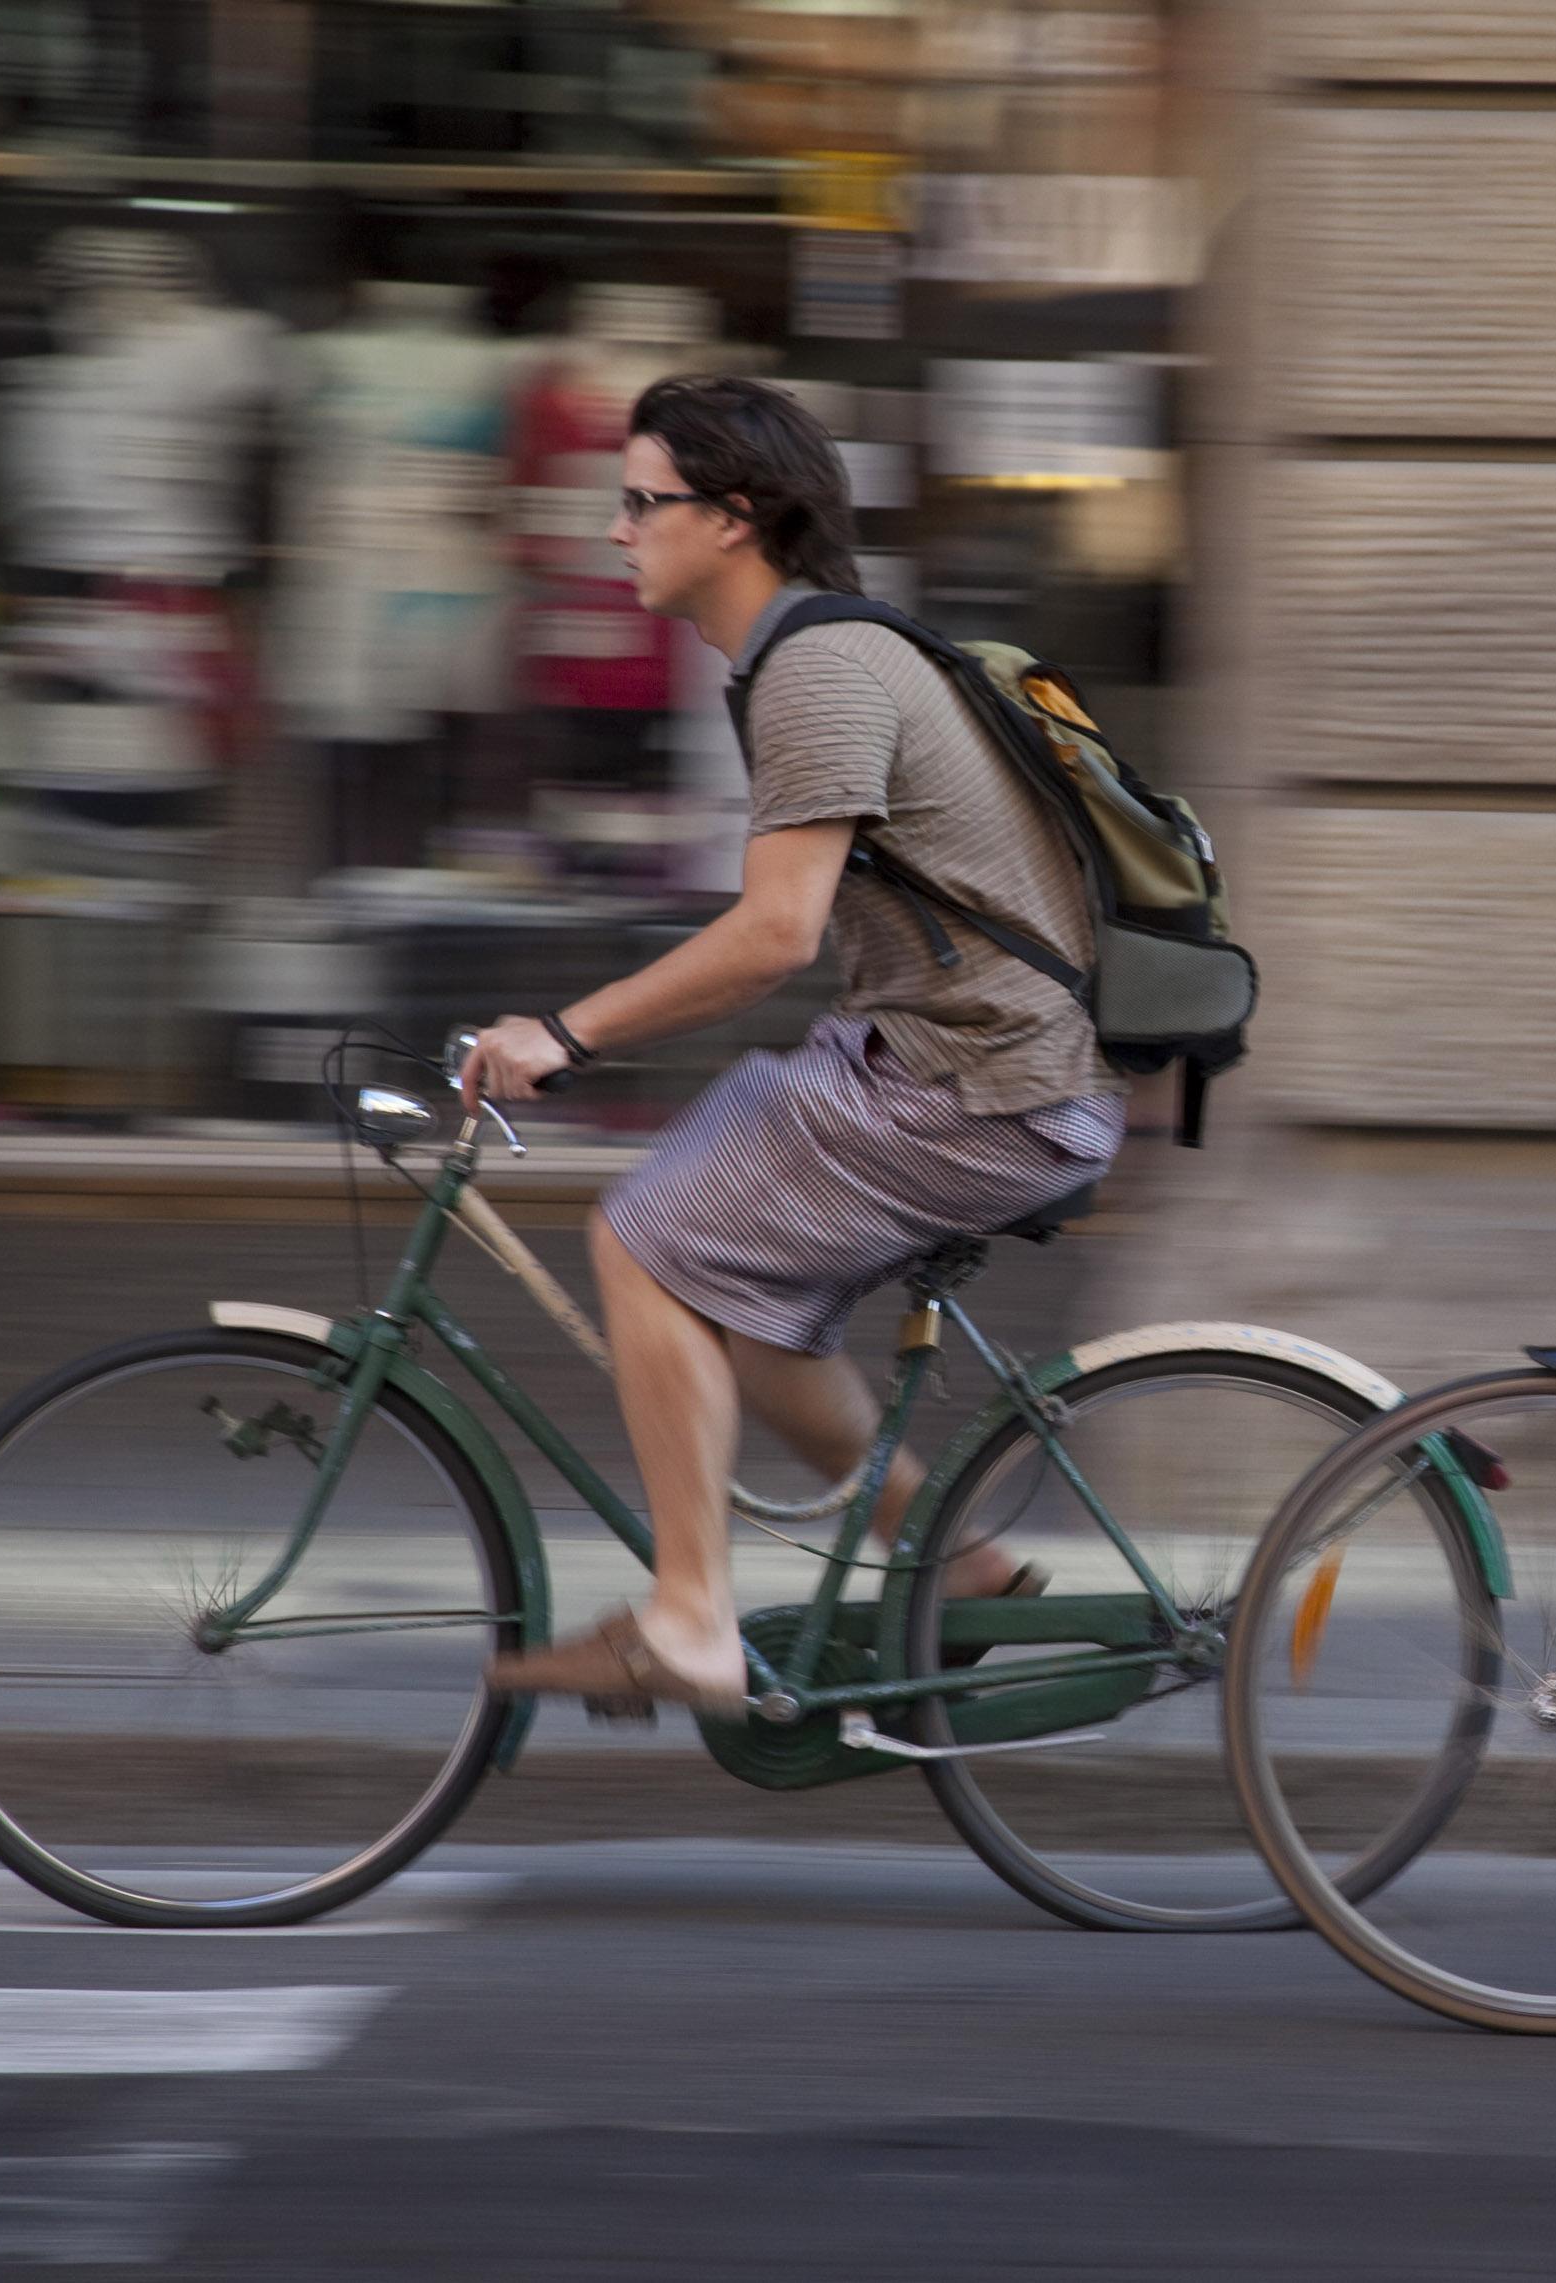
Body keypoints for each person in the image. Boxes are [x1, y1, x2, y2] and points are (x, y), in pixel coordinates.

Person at [464, 375, 1124, 1714]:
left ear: (735, 515)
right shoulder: (815, 657)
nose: (613, 530)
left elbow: (774, 934)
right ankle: (965, 1572)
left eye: (641, 501)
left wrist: (564, 1034)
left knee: (642, 1235)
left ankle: (691, 1619)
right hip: (984, 1069)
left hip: (977, 1082)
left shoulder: (818, 667)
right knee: (754, 1322)